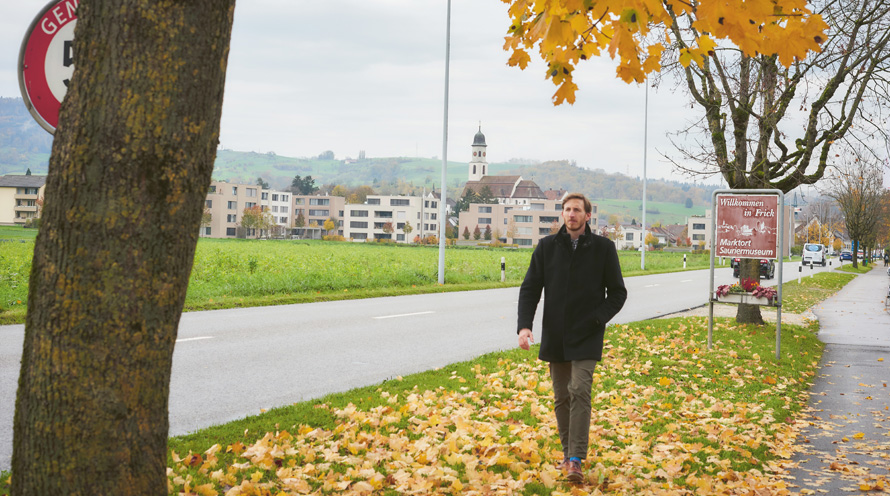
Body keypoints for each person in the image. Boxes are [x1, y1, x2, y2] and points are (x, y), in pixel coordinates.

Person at [517, 192, 627, 483]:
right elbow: (530, 289)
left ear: (587, 216)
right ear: (562, 215)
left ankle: (576, 458)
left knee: (579, 388)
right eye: (567, 210)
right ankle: (567, 457)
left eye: (577, 210)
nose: (572, 214)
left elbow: (618, 293)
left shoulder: (603, 248)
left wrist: (596, 318)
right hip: (555, 334)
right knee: (562, 396)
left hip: (588, 334)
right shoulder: (546, 247)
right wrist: (524, 326)